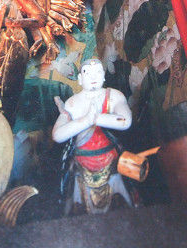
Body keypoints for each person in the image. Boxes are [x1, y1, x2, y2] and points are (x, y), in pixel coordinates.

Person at [52, 58, 135, 214]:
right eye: (87, 73)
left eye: (97, 72)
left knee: (122, 208)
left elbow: (126, 121)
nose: (93, 76)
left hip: (110, 162)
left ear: (103, 76)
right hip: (82, 165)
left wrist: (97, 118)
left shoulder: (114, 96)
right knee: (81, 210)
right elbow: (57, 135)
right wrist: (86, 120)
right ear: (80, 79)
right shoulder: (72, 103)